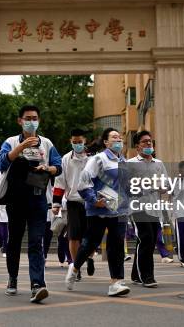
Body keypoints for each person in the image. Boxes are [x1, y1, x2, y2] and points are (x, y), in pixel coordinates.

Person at [0, 105, 62, 304]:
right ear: (20, 121)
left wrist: (47, 168)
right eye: (27, 118)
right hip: (16, 199)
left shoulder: (47, 143)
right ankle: (13, 278)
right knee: (14, 241)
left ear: (39, 121)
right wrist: (21, 147)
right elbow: (1, 163)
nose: (31, 121)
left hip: (38, 199)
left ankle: (37, 285)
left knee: (36, 242)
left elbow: (58, 166)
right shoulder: (11, 142)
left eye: (35, 118)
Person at [65, 127, 130, 297]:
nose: (118, 140)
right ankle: (75, 267)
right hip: (98, 210)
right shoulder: (98, 159)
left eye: (120, 137)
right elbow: (83, 182)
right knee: (89, 245)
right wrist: (94, 200)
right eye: (114, 138)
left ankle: (116, 282)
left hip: (119, 210)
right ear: (106, 142)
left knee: (116, 246)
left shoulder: (125, 162)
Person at [128, 130, 167, 287]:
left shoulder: (159, 164)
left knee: (146, 241)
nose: (148, 144)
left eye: (150, 141)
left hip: (154, 208)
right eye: (144, 142)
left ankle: (136, 274)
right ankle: (147, 276)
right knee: (147, 238)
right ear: (137, 146)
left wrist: (161, 186)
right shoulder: (130, 164)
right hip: (138, 207)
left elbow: (165, 187)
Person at [53, 129, 93, 280]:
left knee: (90, 236)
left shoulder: (93, 159)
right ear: (71, 142)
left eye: (80, 142)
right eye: (74, 142)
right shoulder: (65, 159)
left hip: (90, 202)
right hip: (73, 201)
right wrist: (56, 203)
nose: (77, 145)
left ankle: (89, 258)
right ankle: (76, 267)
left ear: (85, 141)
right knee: (73, 236)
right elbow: (60, 181)